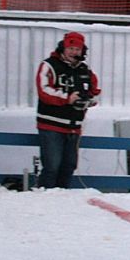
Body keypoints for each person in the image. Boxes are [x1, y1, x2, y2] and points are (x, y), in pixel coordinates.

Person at [35, 32, 100, 189]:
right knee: (52, 166)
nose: (73, 52)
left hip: (74, 127)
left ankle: (62, 198)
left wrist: (88, 101)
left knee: (69, 166)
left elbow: (95, 92)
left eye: (77, 49)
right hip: (51, 125)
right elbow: (44, 91)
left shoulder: (86, 70)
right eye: (70, 48)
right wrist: (67, 98)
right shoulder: (49, 65)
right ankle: (43, 197)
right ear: (63, 48)